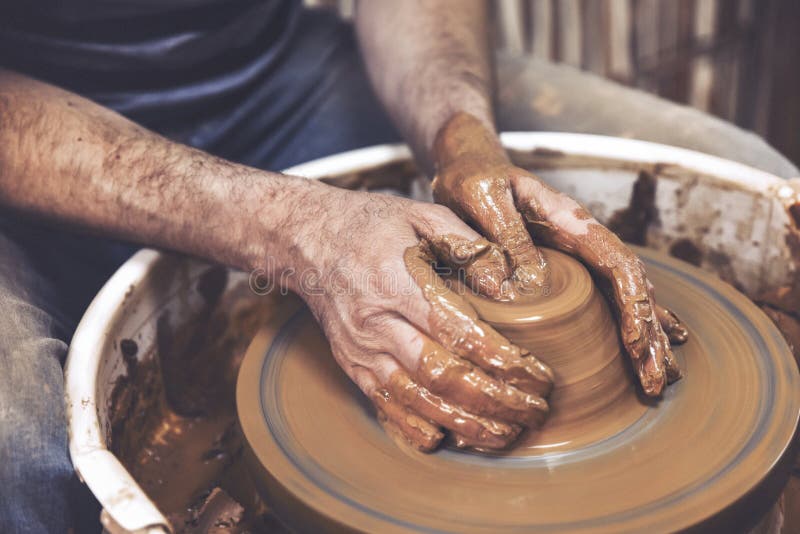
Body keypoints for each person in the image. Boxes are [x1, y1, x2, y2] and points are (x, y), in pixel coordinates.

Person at [0, 1, 795, 532]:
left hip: (272, 74)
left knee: (748, 175)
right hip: (29, 126)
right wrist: (294, 229)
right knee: (21, 459)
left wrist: (463, 139)